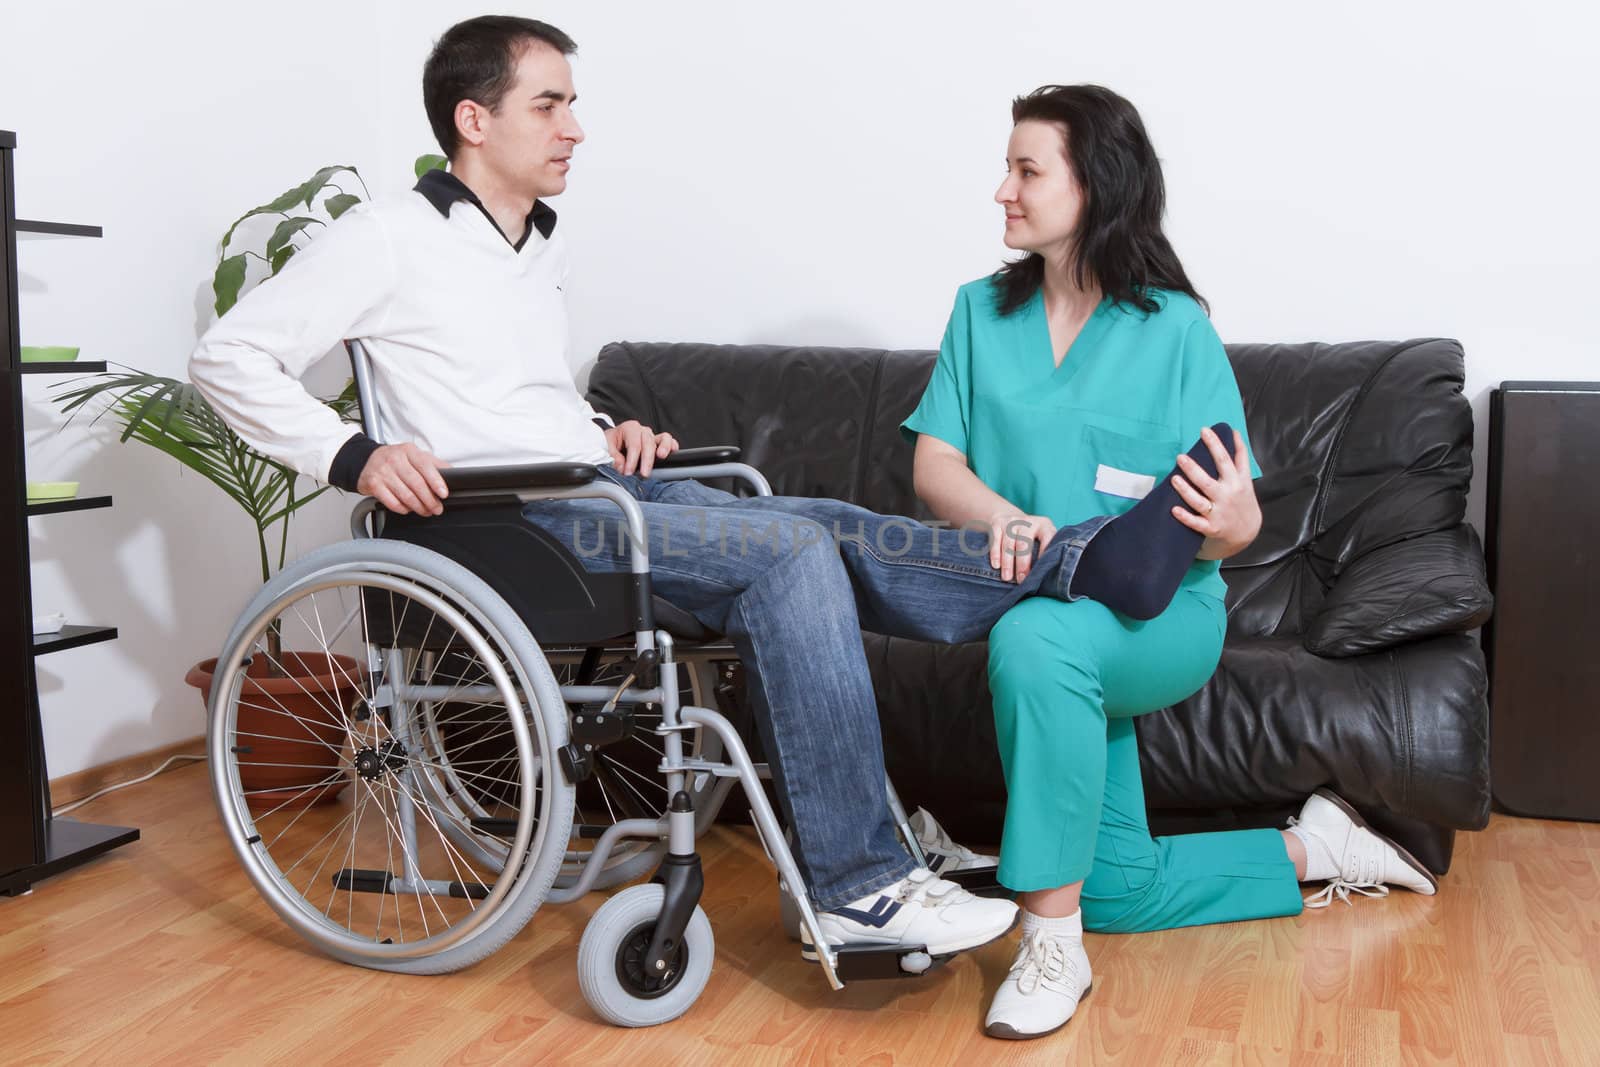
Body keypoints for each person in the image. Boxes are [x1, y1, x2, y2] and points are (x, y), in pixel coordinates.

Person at [187, 18, 1211, 972]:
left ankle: (1077, 559)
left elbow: (510, 405)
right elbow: (227, 355)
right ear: (474, 118)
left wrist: (602, 431)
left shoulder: (534, 246)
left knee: (822, 520)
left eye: (570, 104)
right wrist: (354, 454)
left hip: (582, 488)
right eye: (549, 104)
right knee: (790, 554)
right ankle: (860, 881)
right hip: (500, 525)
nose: (573, 128)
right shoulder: (389, 236)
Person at [903, 84, 1441, 1041]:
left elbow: (1228, 526)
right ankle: (1316, 850)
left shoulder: (1177, 329)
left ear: (1096, 186)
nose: (1002, 190)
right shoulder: (979, 312)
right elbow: (933, 461)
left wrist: (1236, 520)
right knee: (1120, 887)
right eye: (1009, 166)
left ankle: (1049, 943)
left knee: (1037, 644)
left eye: (1028, 170)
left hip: (1160, 619)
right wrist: (1003, 512)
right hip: (1046, 606)